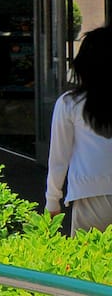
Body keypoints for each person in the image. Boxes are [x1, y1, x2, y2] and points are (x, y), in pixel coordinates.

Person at [48, 27, 112, 235]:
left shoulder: (70, 104)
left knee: (90, 262)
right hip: (91, 188)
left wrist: (52, 201)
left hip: (90, 192)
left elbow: (59, 158)